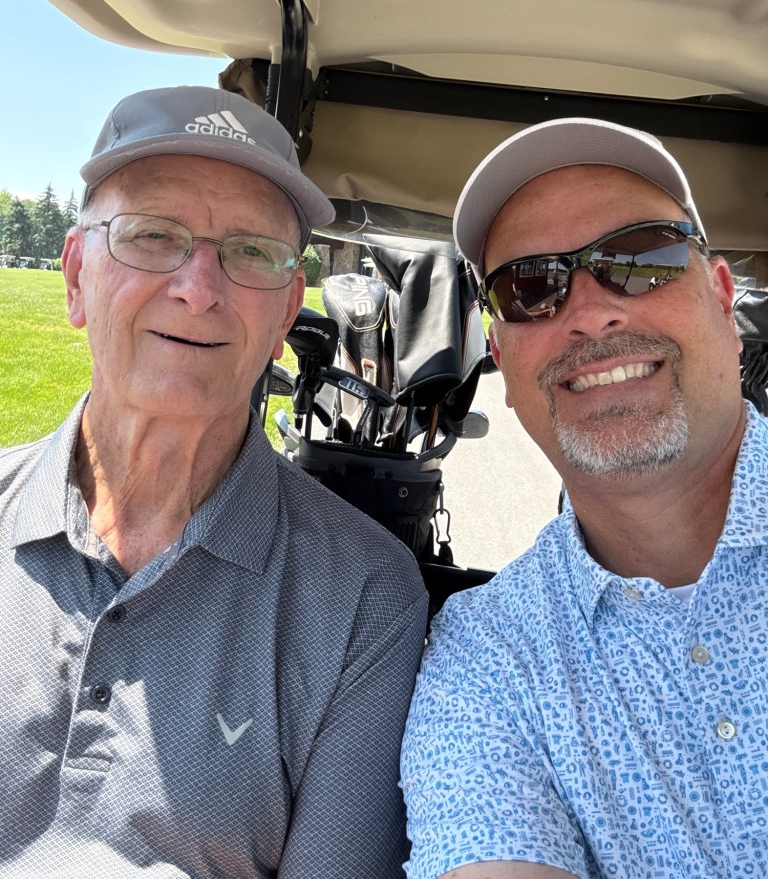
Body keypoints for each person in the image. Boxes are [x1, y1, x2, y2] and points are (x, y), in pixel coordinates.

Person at [0, 85, 428, 878]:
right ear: (73, 277)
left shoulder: (365, 600)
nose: (198, 287)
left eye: (251, 252)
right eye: (152, 236)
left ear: (285, 314)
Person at [401, 117, 766, 879]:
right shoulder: (489, 655)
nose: (593, 312)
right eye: (531, 286)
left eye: (642, 260)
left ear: (724, 298)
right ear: (501, 359)